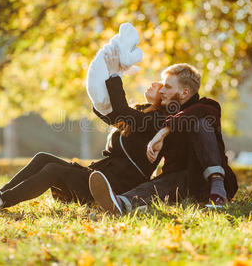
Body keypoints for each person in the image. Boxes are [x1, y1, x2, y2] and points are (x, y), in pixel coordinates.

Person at [0, 47, 215, 213]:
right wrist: (104, 83)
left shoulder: (162, 119)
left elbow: (123, 113)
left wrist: (115, 75)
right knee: (42, 158)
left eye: (164, 85)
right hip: (101, 172)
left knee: (52, 169)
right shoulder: (146, 112)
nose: (156, 84)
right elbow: (113, 115)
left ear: (175, 95)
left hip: (115, 184)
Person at [89, 61, 238, 214]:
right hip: (183, 182)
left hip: (210, 181)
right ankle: (121, 203)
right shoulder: (165, 115)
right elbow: (123, 116)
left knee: (200, 123)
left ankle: (217, 190)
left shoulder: (207, 106)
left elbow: (192, 114)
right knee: (162, 183)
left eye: (168, 87)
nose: (162, 91)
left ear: (185, 93)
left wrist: (164, 131)